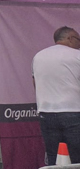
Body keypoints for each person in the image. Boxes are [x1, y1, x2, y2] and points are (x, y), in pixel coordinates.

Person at [33, 26, 80, 164]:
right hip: (74, 111)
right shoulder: (77, 56)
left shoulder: (38, 56)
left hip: (46, 112)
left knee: (54, 155)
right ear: (70, 39)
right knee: (77, 157)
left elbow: (35, 84)